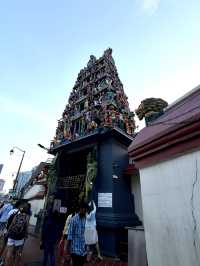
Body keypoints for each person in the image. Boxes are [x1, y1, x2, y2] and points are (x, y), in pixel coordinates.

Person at [4, 202, 30, 266]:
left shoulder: (17, 215)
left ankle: (6, 264)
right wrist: (26, 235)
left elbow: (12, 224)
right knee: (17, 252)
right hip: (20, 237)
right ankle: (15, 264)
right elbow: (26, 227)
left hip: (12, 234)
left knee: (9, 251)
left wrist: (8, 232)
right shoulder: (27, 217)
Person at [65, 202, 88, 266]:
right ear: (80, 209)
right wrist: (67, 251)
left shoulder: (86, 220)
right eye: (83, 209)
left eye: (85, 209)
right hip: (75, 250)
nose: (84, 211)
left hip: (83, 251)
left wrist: (88, 250)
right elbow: (69, 236)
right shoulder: (73, 220)